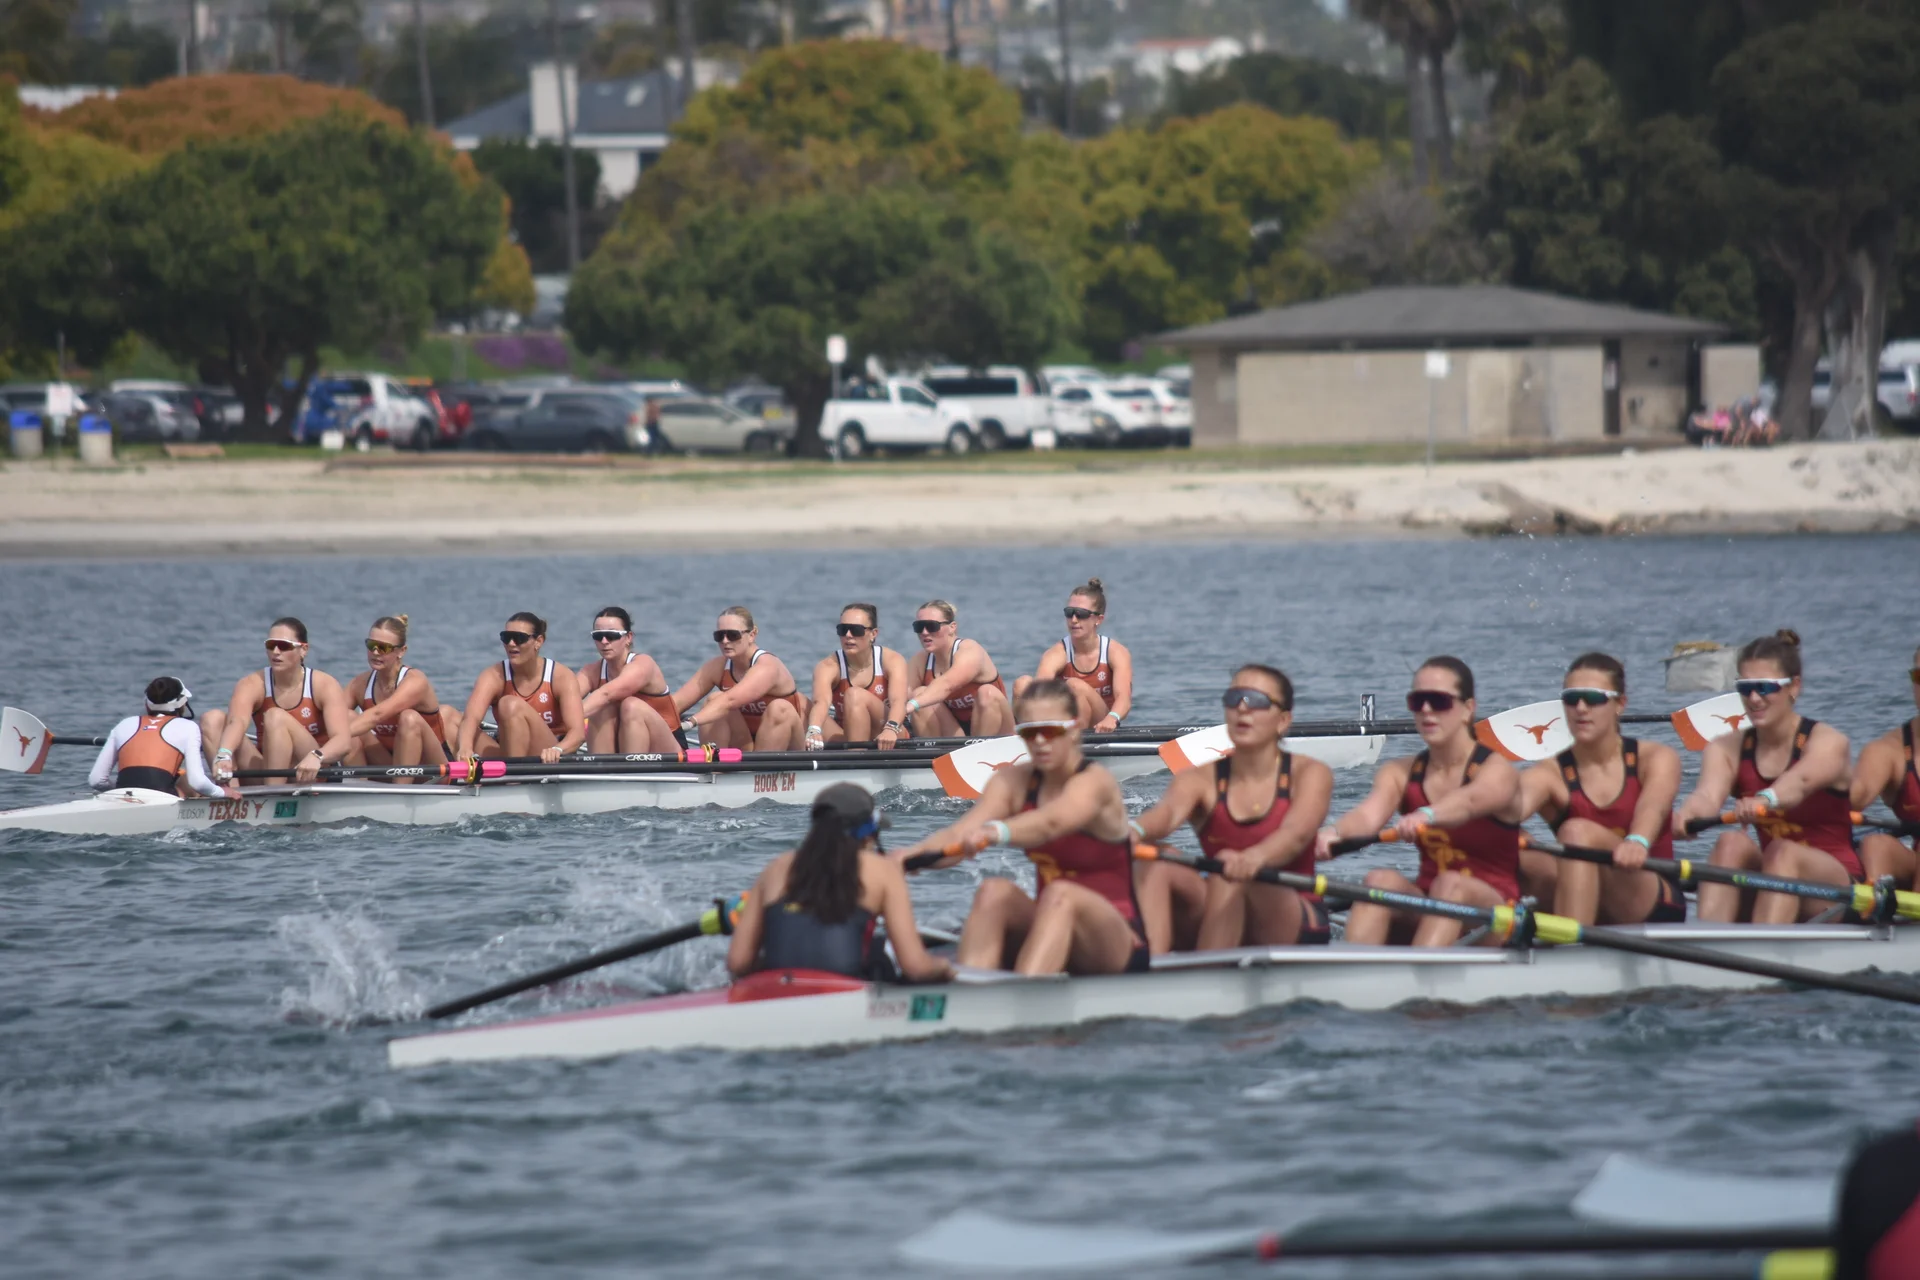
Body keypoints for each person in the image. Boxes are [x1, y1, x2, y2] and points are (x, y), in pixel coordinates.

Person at [895, 680, 1148, 976]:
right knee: (994, 891)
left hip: (1115, 941)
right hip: (1051, 923)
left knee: (1061, 893)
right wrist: (904, 858)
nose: (1040, 742)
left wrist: (997, 832)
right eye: (1029, 733)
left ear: (1076, 727)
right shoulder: (1012, 782)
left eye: (1051, 731)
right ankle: (969, 997)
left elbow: (1053, 821)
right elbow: (958, 834)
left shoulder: (1095, 782)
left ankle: (1023, 1002)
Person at [1316, 657, 1526, 948]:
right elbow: (1367, 817)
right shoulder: (1399, 773)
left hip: (1495, 917)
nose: (1427, 710)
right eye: (1418, 701)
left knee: (1450, 884)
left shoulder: (1497, 771)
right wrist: (1334, 833)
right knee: (1380, 880)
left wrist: (1428, 814)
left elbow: (1469, 802)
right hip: (1431, 904)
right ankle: (1353, 977)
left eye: (1439, 701)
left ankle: (1421, 984)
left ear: (1468, 709)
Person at [1132, 664, 1333, 952]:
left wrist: (1256, 856)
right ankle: (1149, 968)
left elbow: (1296, 834)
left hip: (1293, 914)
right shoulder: (1199, 778)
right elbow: (1166, 815)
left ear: (1283, 720)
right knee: (1156, 860)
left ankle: (1208, 977)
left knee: (1229, 863)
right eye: (1233, 698)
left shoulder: (1310, 773)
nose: (1242, 708)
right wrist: (1135, 830)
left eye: (1257, 701)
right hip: (1223, 898)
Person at [1677, 630, 1859, 924]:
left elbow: (1800, 783)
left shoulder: (1828, 741)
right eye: (1745, 687)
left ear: (1794, 687)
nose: (1753, 698)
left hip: (1836, 887)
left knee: (1783, 852)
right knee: (1729, 843)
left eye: (1764, 687)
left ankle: (1761, 948)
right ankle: (1710, 943)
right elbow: (1707, 797)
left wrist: (1766, 798)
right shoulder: (1727, 747)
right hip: (1775, 876)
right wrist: (1685, 815)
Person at [1515, 653, 1687, 926]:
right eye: (1572, 699)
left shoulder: (1655, 758)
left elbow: (1653, 806)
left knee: (1577, 831)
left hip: (1650, 895)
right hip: (1585, 889)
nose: (1581, 708)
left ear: (1620, 704)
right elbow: (1508, 809)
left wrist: (1637, 840)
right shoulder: (1549, 772)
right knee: (1511, 843)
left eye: (1594, 698)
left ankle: (1569, 953)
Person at [726, 783, 952, 983]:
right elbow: (916, 967)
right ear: (869, 833)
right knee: (880, 955)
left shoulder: (776, 868)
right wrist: (944, 966)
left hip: (775, 990)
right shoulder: (883, 870)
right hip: (845, 994)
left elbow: (738, 963)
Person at [202, 617, 356, 786]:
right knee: (212, 719)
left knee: (275, 716)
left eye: (284, 646)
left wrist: (316, 756)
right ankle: (229, 796)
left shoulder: (324, 684)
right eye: (270, 645)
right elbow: (237, 722)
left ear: (303, 650)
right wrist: (225, 753)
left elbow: (343, 741)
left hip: (310, 770)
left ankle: (273, 794)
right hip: (268, 766)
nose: (275, 652)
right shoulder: (252, 684)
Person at [454, 612, 587, 765]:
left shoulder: (561, 677)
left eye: (519, 638)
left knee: (510, 704)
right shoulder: (493, 675)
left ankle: (512, 783)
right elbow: (471, 718)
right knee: (447, 716)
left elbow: (577, 733)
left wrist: (558, 749)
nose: (511, 644)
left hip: (549, 755)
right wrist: (465, 747)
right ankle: (450, 778)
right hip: (509, 751)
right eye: (506, 637)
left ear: (538, 641)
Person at [672, 607, 809, 751]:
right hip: (747, 746)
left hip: (787, 746)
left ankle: (761, 770)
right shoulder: (717, 666)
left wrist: (690, 723)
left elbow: (729, 700)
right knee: (714, 700)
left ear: (752, 635)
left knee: (779, 708)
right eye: (719, 636)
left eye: (733, 635)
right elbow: (675, 704)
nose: (725, 641)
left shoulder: (767, 666)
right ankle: (715, 769)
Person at [342, 614, 460, 780]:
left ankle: (400, 790)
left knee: (409, 718)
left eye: (383, 648)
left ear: (401, 651)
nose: (375, 652)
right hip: (389, 764)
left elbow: (378, 715)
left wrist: (334, 740)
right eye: (371, 645)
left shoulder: (415, 680)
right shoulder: (359, 684)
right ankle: (360, 790)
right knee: (345, 718)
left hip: (431, 769)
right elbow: (330, 719)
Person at [1012, 578, 1133, 732]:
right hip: (1065, 719)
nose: (1074, 620)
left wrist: (1112, 718)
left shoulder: (1116, 652)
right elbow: (1040, 693)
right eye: (1069, 613)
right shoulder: (1056, 653)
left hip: (1103, 722)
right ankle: (1027, 737)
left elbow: (1124, 699)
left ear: (1098, 619)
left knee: (1075, 685)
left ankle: (1072, 742)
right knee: (1022, 684)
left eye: (1081, 614)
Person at [90, 677, 235, 799]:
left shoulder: (125, 724)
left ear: (147, 704)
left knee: (181, 776)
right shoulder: (187, 727)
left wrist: (119, 792)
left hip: (123, 796)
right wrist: (223, 792)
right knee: (188, 781)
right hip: (163, 798)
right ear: (182, 704)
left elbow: (96, 780)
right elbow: (198, 782)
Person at [1851, 644, 1920, 890]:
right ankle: (1873, 915)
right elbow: (1853, 797)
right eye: (1919, 677)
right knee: (1875, 844)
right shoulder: (1888, 750)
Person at [576, 606, 681, 754]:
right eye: (598, 636)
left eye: (611, 635)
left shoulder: (643, 664)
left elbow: (606, 694)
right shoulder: (591, 671)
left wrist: (567, 722)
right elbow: (566, 701)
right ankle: (601, 774)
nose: (604, 641)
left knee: (630, 705)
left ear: (628, 637)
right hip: (621, 751)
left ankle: (629, 772)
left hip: (670, 752)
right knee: (600, 709)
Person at [806, 603, 911, 751]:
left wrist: (891, 728)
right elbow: (821, 702)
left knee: (855, 695)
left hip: (891, 731)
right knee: (798, 702)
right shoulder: (827, 666)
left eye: (856, 630)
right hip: (847, 733)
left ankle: (854, 763)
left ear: (873, 634)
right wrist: (814, 730)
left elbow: (898, 702)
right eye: (843, 630)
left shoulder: (892, 660)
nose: (848, 635)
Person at [902, 599, 1012, 739]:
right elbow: (900, 697)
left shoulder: (970, 650)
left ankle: (979, 752)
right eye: (919, 627)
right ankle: (931, 755)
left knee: (987, 693)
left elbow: (947, 684)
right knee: (919, 693)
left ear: (952, 627)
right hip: (956, 733)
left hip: (997, 730)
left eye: (932, 626)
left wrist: (911, 706)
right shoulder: (920, 660)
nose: (924, 632)